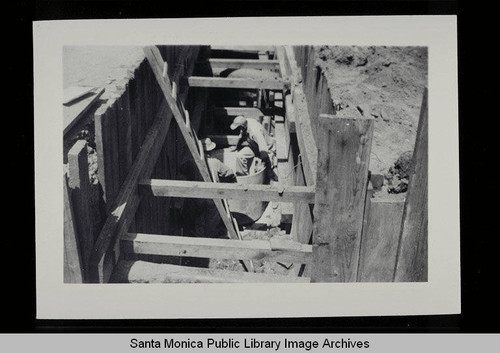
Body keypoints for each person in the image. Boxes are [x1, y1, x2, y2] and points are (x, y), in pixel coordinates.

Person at [229, 115, 278, 181]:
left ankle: (271, 175)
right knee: (239, 156)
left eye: (238, 127)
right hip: (254, 145)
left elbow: (263, 149)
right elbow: (241, 136)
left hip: (267, 149)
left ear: (242, 126)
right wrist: (236, 147)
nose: (238, 129)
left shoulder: (255, 132)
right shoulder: (246, 122)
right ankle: (243, 177)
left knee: (267, 172)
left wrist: (261, 162)